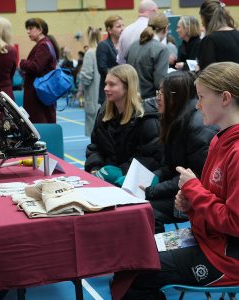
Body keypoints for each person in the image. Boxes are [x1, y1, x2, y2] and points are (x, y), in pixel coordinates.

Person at [121, 61, 239, 300]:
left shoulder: (236, 151)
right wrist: (191, 205)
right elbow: (213, 202)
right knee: (132, 253)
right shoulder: (219, 140)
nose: (197, 105)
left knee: (137, 271)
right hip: (208, 240)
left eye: (202, 97)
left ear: (225, 98)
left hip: (227, 258)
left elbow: (234, 222)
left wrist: (193, 189)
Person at [143, 71, 218, 233]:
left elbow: (196, 174)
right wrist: (152, 178)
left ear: (177, 96)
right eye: (158, 92)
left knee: (146, 211)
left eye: (163, 93)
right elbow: (168, 166)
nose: (158, 97)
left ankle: (153, 255)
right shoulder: (174, 120)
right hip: (179, 188)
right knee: (139, 206)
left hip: (191, 195)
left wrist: (153, 190)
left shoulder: (197, 126)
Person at [85, 64, 162, 186]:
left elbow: (150, 157)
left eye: (112, 84)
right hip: (105, 177)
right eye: (106, 83)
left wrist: (121, 171)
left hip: (131, 181)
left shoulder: (146, 118)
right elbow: (95, 147)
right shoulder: (103, 113)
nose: (105, 88)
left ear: (127, 87)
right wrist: (95, 168)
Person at [19, 18, 60, 123]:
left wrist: (22, 63)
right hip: (40, 94)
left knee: (40, 126)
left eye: (30, 28)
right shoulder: (45, 44)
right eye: (27, 29)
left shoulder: (43, 45)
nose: (28, 31)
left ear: (40, 30)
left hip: (39, 96)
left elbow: (36, 67)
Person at [126, 13, 169, 102]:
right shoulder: (161, 49)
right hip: (149, 102)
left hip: (130, 99)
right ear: (166, 29)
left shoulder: (133, 45)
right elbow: (159, 83)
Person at [198, 0, 239, 71]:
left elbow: (206, 72)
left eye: (201, 19)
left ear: (205, 18)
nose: (202, 23)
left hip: (222, 81)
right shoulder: (237, 34)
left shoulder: (209, 40)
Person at [116, 0, 158, 64]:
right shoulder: (154, 29)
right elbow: (159, 57)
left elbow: (120, 60)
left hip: (128, 72)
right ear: (154, 11)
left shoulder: (125, 30)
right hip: (148, 72)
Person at [96, 15, 124, 105]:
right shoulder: (103, 45)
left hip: (123, 90)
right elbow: (102, 68)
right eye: (119, 26)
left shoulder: (124, 44)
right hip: (109, 90)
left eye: (123, 25)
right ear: (109, 30)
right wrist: (121, 77)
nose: (122, 29)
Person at [79, 27, 101, 136]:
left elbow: (86, 77)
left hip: (93, 95)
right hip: (103, 96)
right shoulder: (103, 50)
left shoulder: (90, 53)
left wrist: (80, 89)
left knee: (94, 125)